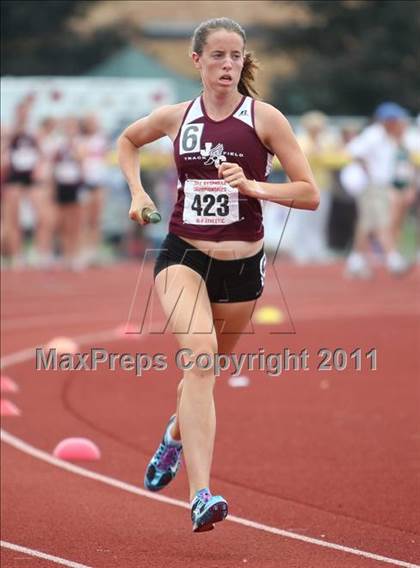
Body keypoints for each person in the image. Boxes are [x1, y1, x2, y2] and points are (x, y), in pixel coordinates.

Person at [117, 17, 319, 533]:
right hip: (183, 255)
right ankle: (201, 495)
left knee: (202, 376)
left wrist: (255, 188)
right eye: (217, 56)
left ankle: (173, 438)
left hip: (244, 269)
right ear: (197, 61)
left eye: (235, 56)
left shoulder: (265, 119)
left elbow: (308, 193)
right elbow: (127, 141)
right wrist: (138, 194)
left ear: (243, 61)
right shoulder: (175, 117)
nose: (227, 65)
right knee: (201, 361)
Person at [345, 102, 412, 278]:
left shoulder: (388, 136)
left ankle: (356, 260)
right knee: (381, 221)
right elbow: (353, 151)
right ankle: (393, 259)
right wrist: (368, 171)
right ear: (388, 120)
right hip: (372, 186)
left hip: (379, 185)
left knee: (367, 223)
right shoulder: (374, 134)